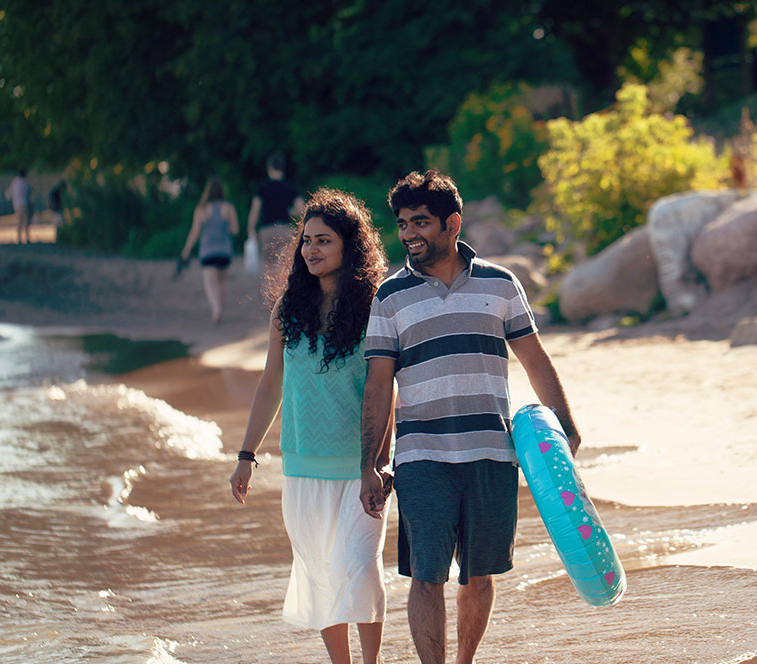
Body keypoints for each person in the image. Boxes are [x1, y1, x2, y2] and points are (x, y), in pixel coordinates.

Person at [359, 170, 581, 664]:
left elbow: (535, 359)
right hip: (421, 456)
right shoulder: (389, 297)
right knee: (425, 573)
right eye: (402, 224)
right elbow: (378, 386)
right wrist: (369, 463)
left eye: (420, 222)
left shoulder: (501, 285)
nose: (409, 234)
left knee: (479, 574)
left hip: (490, 452)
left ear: (452, 223)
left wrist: (565, 427)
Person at [230, 188, 393, 664]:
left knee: (361, 569)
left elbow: (386, 393)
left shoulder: (373, 308)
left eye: (324, 240)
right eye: (306, 241)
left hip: (359, 468)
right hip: (301, 468)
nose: (311, 250)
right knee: (321, 575)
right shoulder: (288, 308)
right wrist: (246, 456)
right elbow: (270, 384)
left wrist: (378, 463)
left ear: (350, 246)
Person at [179, 177, 239, 324]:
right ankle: (220, 309)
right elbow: (235, 230)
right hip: (224, 251)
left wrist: (185, 251)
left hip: (207, 252)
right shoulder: (228, 208)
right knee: (221, 282)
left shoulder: (201, 209)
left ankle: (216, 310)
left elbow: (194, 233)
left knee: (210, 283)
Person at [246, 151, 305, 269]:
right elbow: (301, 209)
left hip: (267, 230)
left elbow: (255, 211)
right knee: (285, 266)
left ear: (269, 167)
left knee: (269, 267)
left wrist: (251, 232)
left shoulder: (262, 188)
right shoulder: (290, 186)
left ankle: (272, 288)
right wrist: (290, 212)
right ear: (283, 168)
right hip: (286, 229)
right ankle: (283, 287)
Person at [10, 170, 32, 244]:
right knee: (25, 221)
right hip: (23, 203)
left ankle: (19, 238)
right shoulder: (23, 182)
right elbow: (27, 192)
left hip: (16, 204)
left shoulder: (14, 182)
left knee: (20, 221)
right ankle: (26, 237)